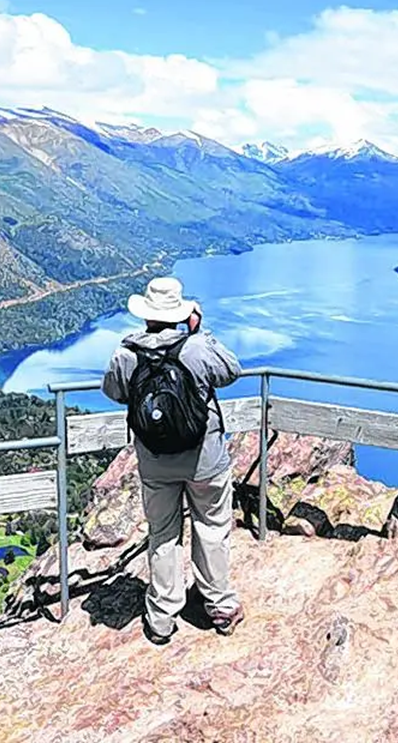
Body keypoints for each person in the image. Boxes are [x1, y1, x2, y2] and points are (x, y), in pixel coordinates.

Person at [101, 276, 245, 644]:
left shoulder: (126, 353)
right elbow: (232, 370)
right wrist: (201, 333)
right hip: (205, 458)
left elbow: (114, 392)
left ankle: (163, 615)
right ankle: (220, 606)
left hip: (155, 461)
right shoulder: (196, 349)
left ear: (146, 313)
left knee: (163, 533)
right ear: (181, 313)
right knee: (212, 527)